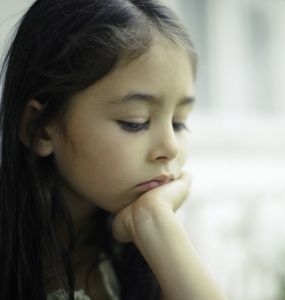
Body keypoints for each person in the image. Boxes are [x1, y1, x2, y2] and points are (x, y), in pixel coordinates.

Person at [0, 0, 228, 299]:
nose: (170, 148)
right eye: (135, 122)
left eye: (178, 123)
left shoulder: (144, 245)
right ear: (40, 129)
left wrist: (153, 219)